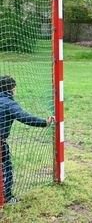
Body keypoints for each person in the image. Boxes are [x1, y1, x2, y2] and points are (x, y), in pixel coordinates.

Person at [0, 75, 54, 203]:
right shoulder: (9, 103)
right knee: (5, 167)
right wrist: (45, 123)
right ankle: (6, 198)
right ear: (12, 90)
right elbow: (25, 117)